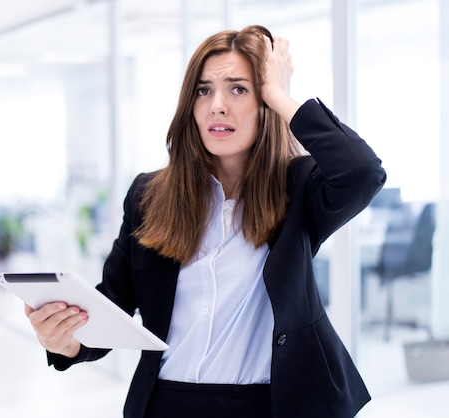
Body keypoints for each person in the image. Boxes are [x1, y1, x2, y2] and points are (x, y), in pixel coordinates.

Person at [25, 24, 386, 418]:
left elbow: (363, 172)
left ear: (264, 101)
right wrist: (66, 340)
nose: (217, 105)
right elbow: (113, 302)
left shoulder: (297, 188)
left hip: (269, 406)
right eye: (203, 90)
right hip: (167, 404)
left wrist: (280, 94)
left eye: (238, 89)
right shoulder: (149, 195)